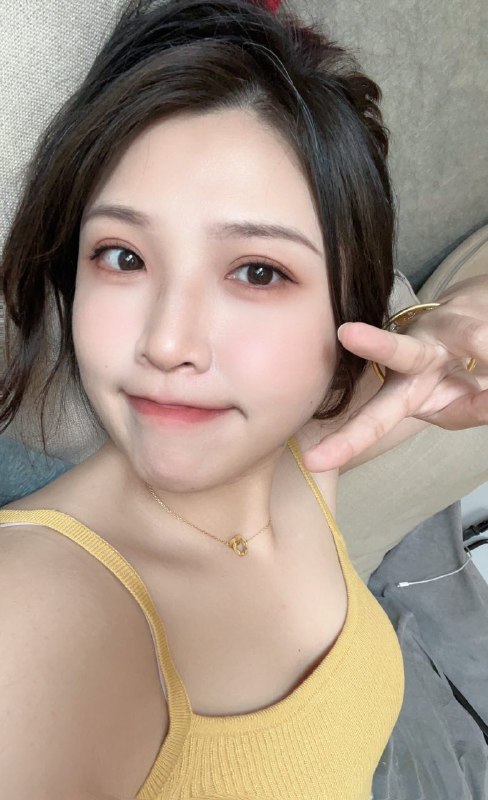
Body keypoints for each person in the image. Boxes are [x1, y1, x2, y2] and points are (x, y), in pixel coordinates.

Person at [0, 0, 486, 798]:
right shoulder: (39, 619)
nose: (167, 342)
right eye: (122, 257)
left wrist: (449, 319)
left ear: (344, 311)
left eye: (257, 271)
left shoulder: (308, 438)